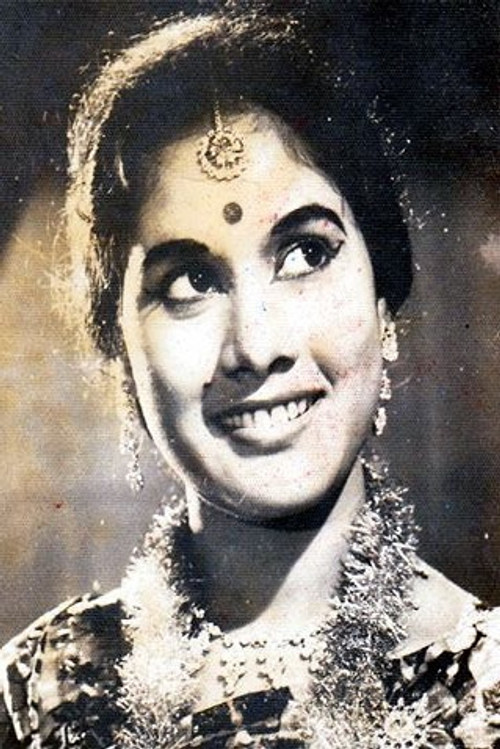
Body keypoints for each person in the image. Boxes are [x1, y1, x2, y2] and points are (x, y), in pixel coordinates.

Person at [1, 5, 499, 748]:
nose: (257, 347)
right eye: (190, 282)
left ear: (385, 308)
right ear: (121, 354)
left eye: (306, 254)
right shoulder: (32, 700)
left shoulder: (487, 694)